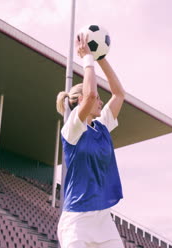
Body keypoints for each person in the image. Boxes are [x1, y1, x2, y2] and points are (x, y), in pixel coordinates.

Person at [55, 33, 126, 248]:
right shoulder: (72, 129)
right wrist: (86, 59)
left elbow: (119, 94)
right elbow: (92, 95)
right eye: (94, 99)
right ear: (79, 101)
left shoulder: (102, 127)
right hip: (77, 220)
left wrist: (100, 57)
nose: (100, 101)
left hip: (103, 219)